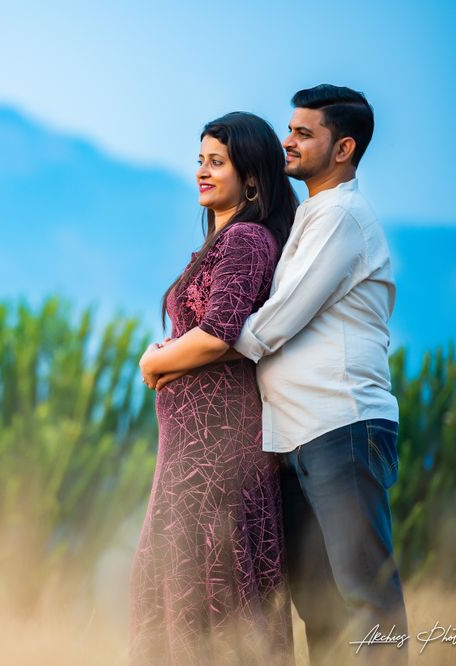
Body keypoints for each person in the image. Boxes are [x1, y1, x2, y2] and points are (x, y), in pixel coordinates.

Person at [148, 85, 408, 665]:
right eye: (289, 130)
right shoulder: (309, 220)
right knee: (318, 603)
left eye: (303, 133)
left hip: (342, 424)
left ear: (343, 148)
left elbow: (270, 326)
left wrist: (169, 355)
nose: (287, 140)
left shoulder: (342, 218)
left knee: (365, 594)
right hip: (294, 435)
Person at [128, 111, 298, 665]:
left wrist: (154, 364)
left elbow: (218, 333)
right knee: (177, 578)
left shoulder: (246, 239)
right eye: (200, 160)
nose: (202, 172)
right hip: (190, 449)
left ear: (251, 177)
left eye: (216, 162)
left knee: (209, 581)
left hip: (216, 451)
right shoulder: (222, 240)